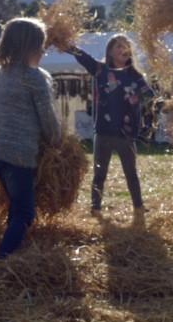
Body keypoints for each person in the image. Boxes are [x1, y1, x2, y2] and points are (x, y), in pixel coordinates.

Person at [0, 17, 62, 258]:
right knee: (26, 214)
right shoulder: (34, 77)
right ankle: (3, 260)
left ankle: (11, 249)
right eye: (40, 45)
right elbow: (47, 120)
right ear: (29, 47)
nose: (43, 51)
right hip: (17, 155)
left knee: (16, 206)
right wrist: (57, 140)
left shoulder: (0, 75)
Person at [65, 34, 154, 219]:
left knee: (131, 173)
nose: (124, 49)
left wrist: (169, 103)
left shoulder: (135, 76)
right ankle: (95, 208)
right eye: (120, 46)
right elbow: (83, 57)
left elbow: (150, 97)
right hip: (104, 131)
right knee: (100, 173)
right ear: (111, 51)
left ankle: (138, 207)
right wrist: (66, 43)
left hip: (126, 134)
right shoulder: (101, 70)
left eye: (127, 46)